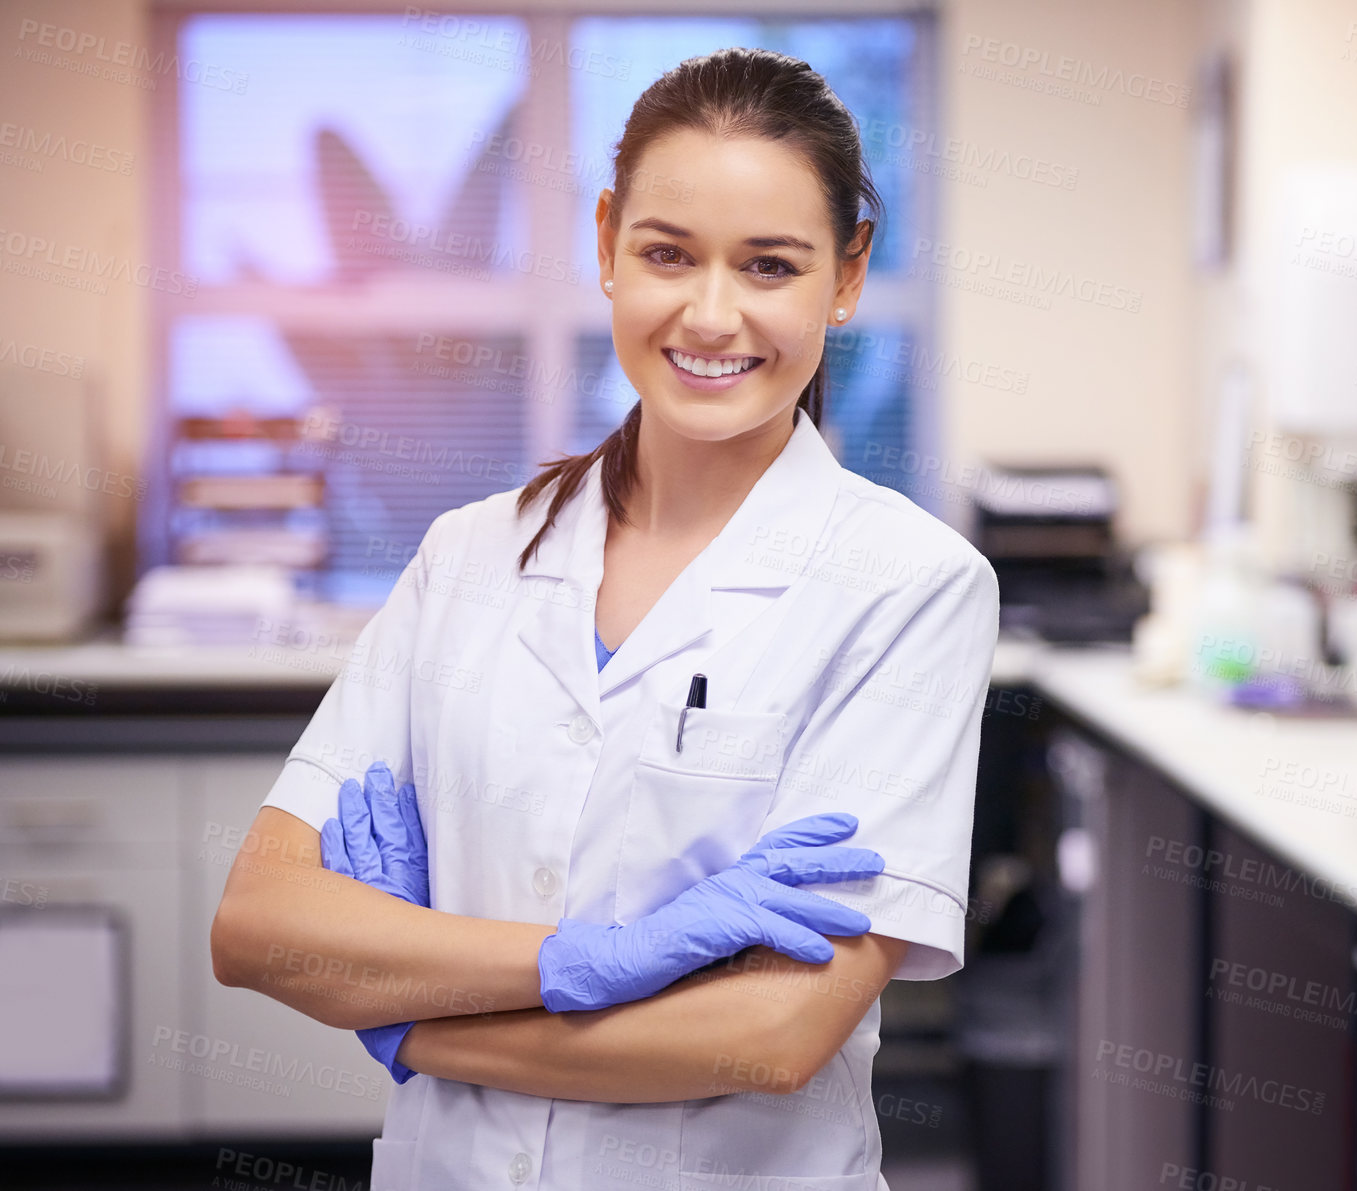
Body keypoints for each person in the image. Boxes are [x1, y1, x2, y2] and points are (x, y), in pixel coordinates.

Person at [210, 45, 1000, 1191]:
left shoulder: (909, 588)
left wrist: (408, 1019)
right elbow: (258, 926)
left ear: (846, 277)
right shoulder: (467, 558)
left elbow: (769, 1040)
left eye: (770, 265)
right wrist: (597, 962)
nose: (711, 314)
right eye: (667, 254)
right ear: (604, 248)